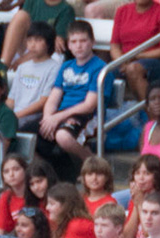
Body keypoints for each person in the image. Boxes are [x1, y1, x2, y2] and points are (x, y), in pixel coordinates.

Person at [38, 20, 105, 166]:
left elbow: (89, 105)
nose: (78, 45)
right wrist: (48, 118)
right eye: (74, 41)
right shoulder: (65, 66)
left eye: (83, 41)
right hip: (61, 113)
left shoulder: (101, 68)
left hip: (86, 115)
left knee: (63, 136)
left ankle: (91, 162)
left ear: (92, 42)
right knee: (26, 132)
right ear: (68, 45)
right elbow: (53, 98)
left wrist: (58, 118)